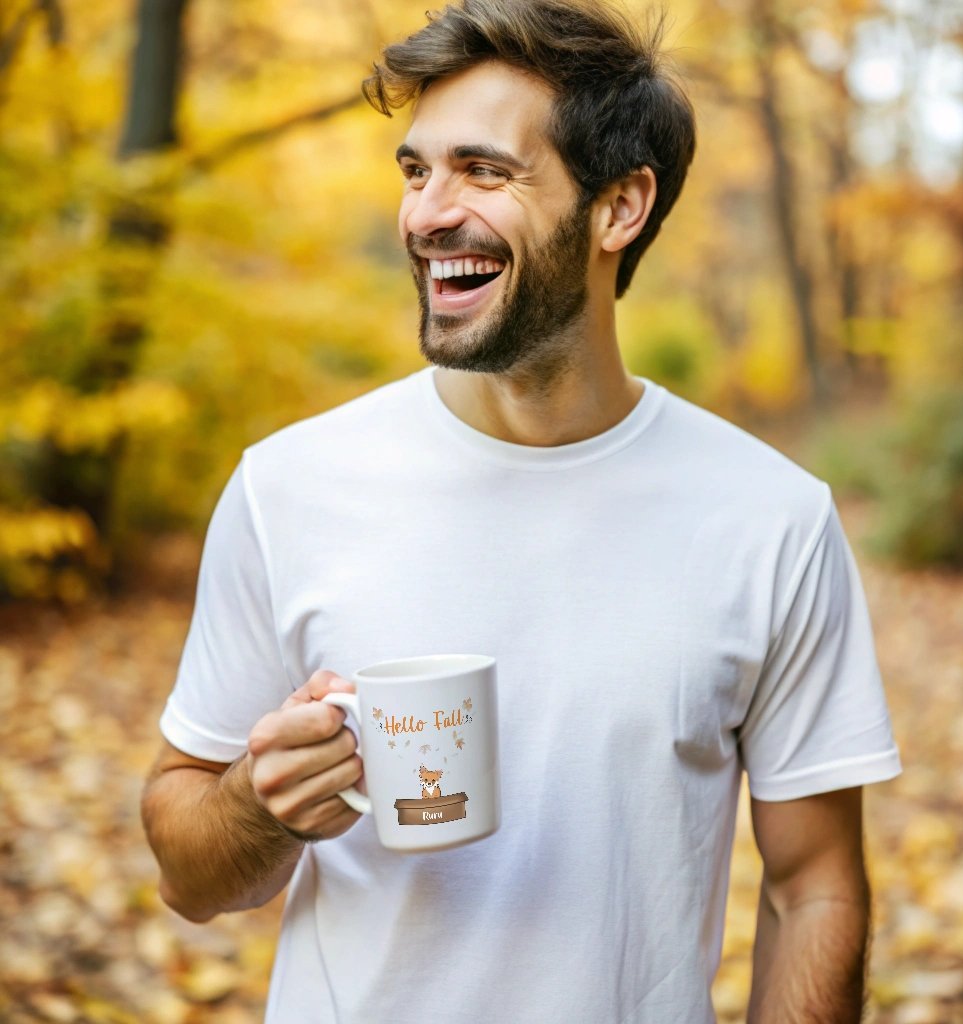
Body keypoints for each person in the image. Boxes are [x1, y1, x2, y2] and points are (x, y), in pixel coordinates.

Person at [141, 1, 902, 1021]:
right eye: (415, 171)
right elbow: (192, 878)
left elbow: (814, 886)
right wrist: (256, 805)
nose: (424, 214)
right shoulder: (289, 488)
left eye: (483, 170)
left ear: (619, 207)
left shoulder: (770, 519)